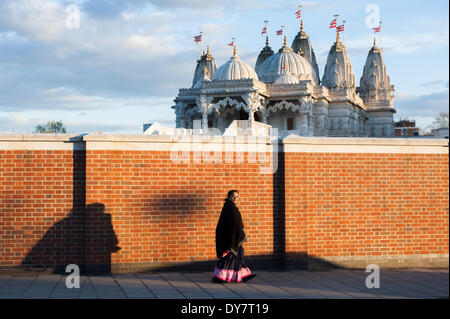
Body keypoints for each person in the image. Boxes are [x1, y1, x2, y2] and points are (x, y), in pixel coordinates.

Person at [211, 190, 256, 283]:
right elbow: (235, 224)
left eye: (237, 197)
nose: (235, 198)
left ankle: (245, 275)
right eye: (233, 196)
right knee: (229, 257)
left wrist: (241, 234)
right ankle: (218, 277)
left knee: (238, 255)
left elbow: (237, 224)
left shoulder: (229, 207)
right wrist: (243, 235)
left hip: (234, 237)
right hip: (231, 238)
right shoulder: (230, 208)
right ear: (229, 197)